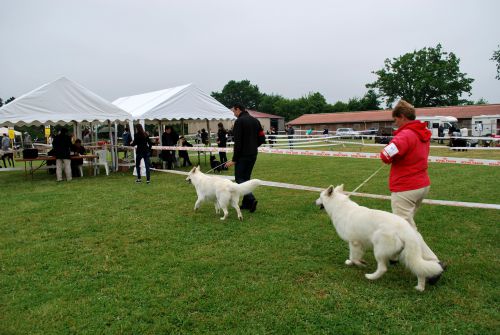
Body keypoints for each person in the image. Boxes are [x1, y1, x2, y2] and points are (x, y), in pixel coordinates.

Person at [380, 99, 445, 283]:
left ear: (401, 117)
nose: (395, 124)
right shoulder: (421, 132)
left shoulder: (404, 135)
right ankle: (393, 254)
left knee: (407, 229)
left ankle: (432, 265)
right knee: (403, 223)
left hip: (405, 188)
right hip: (421, 185)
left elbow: (385, 155)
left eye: (396, 120)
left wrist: (386, 152)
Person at [224, 103, 261, 213]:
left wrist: (234, 159)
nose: (234, 114)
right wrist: (253, 146)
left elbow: (238, 143)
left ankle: (251, 199)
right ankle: (246, 204)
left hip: (242, 156)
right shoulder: (256, 121)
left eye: (234, 111)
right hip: (253, 154)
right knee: (246, 178)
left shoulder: (239, 122)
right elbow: (262, 138)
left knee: (240, 179)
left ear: (238, 109)